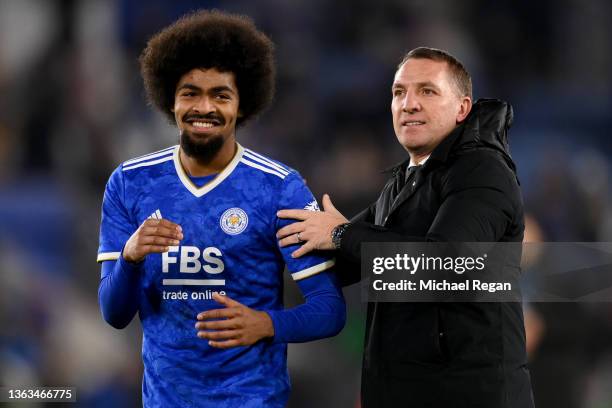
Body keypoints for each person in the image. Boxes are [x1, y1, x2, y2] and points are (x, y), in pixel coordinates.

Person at [96, 10, 345, 407]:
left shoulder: (279, 188)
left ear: (242, 105)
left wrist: (266, 324)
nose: (204, 107)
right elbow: (114, 313)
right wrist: (130, 256)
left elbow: (330, 310)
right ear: (170, 100)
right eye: (190, 92)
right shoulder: (130, 183)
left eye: (220, 95)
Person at [277, 47, 534, 407]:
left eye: (427, 91)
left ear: (462, 108)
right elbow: (340, 262)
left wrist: (340, 234)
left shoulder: (481, 171)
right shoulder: (403, 184)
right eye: (400, 92)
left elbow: (445, 264)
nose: (409, 103)